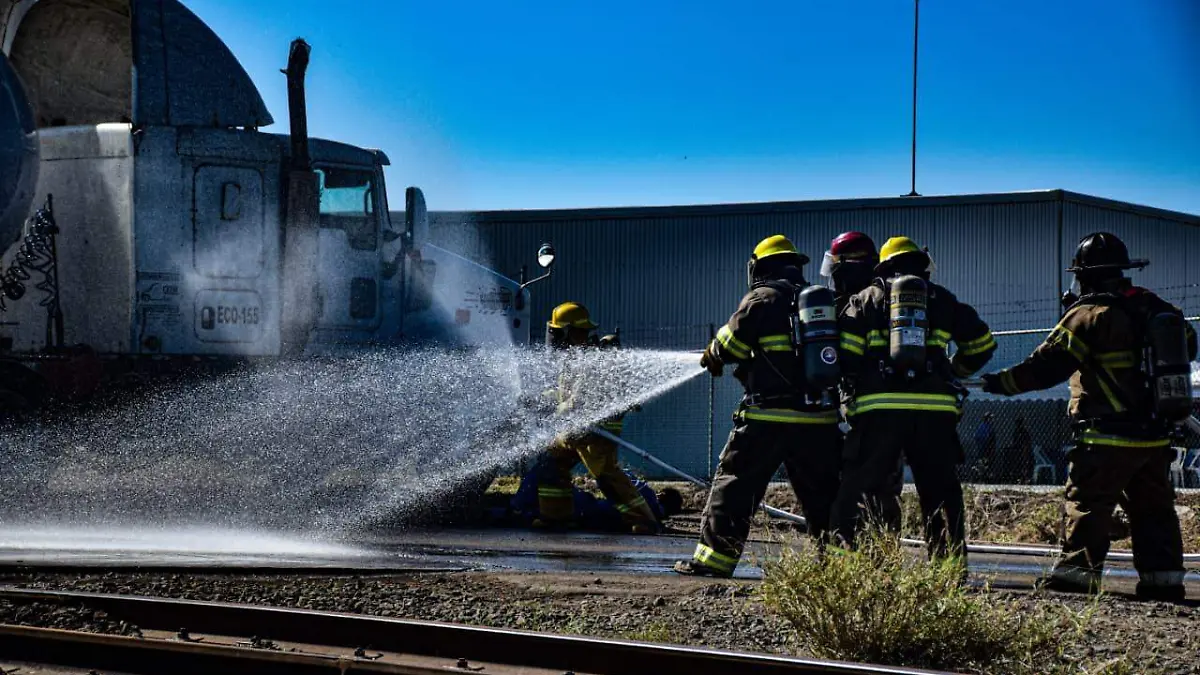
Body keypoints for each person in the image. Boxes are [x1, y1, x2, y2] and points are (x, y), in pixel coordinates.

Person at [981, 232, 1197, 601]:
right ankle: (1164, 583)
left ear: (1086, 275)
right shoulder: (1159, 310)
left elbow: (1045, 367)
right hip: (1155, 437)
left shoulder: (1088, 315)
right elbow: (1189, 347)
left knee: (1088, 504)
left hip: (1105, 438)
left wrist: (998, 383)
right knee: (1154, 510)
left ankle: (1076, 579)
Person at [673, 235, 842, 578]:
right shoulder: (824, 302)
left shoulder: (762, 298)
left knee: (734, 489)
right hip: (819, 420)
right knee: (825, 497)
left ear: (758, 267)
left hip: (768, 418)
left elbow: (731, 343)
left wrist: (714, 353)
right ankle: (836, 569)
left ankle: (712, 563)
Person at [833, 236, 996, 563]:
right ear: (922, 265)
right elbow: (981, 345)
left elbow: (845, 357)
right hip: (935, 412)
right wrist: (951, 369)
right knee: (941, 491)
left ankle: (865, 563)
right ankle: (949, 568)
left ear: (883, 266)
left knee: (866, 488)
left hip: (878, 412)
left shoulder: (865, 300)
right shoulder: (944, 300)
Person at [537, 303, 661, 535]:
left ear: (568, 331)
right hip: (576, 427)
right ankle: (556, 517)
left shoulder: (592, 360)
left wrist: (556, 413)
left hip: (596, 427)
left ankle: (644, 521)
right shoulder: (575, 357)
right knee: (552, 462)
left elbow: (579, 399)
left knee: (605, 475)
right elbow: (566, 392)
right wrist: (541, 400)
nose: (553, 338)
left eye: (556, 332)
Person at [822, 231, 906, 526]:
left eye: (835, 265)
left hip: (870, 415)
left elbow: (845, 361)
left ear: (849, 265)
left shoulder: (860, 303)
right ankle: (881, 557)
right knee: (884, 488)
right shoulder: (891, 299)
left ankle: (853, 561)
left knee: (857, 492)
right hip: (901, 414)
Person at [511, 462, 684, 531]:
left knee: (544, 472)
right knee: (538, 509)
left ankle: (516, 506)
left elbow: (618, 477)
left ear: (662, 494)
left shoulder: (648, 494)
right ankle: (512, 512)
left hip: (589, 507)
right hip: (586, 517)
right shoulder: (652, 518)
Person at [972, 412, 997, 481]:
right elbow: (982, 438)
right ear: (987, 419)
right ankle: (982, 477)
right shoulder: (984, 426)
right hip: (985, 449)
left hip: (986, 449)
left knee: (986, 463)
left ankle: (984, 477)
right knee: (985, 463)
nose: (992, 420)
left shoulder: (987, 426)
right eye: (991, 418)